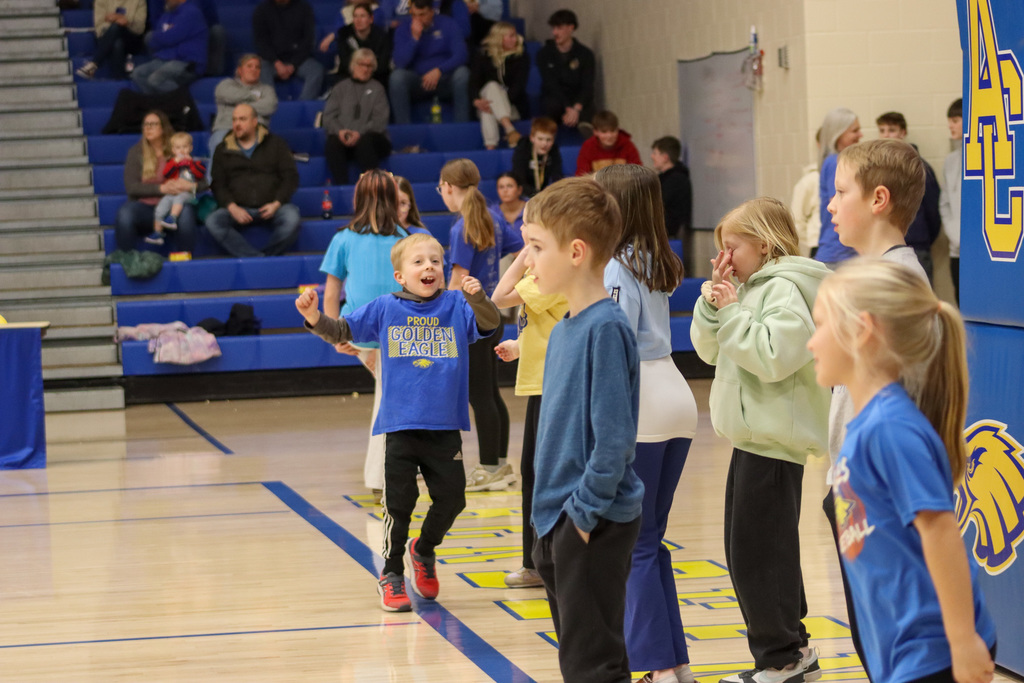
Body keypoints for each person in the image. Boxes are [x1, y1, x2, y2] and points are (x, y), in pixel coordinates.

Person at [806, 258, 997, 683]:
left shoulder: (890, 428)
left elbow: (941, 532)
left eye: (819, 326)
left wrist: (962, 641)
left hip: (933, 651)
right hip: (897, 651)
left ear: (862, 331)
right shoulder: (867, 424)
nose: (810, 342)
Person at [295, 233, 501, 611]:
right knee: (399, 506)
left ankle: (423, 549)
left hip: (445, 427)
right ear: (400, 276)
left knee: (453, 499)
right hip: (400, 425)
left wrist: (479, 298)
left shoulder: (457, 304)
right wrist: (314, 318)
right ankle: (391, 573)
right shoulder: (385, 308)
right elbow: (341, 331)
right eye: (418, 262)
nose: (429, 267)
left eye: (435, 261)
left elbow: (489, 325)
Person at [689, 197, 830, 683]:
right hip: (750, 441)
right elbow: (710, 351)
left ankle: (780, 659)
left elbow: (772, 357)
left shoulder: (787, 290)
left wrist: (732, 311)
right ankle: (795, 649)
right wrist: (714, 304)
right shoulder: (748, 289)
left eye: (732, 247)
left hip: (774, 443)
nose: (724, 258)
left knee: (759, 556)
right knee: (758, 551)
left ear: (765, 246)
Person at [524, 177, 642, 683]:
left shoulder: (606, 328)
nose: (527, 261)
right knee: (583, 662)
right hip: (556, 520)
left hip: (591, 521)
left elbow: (613, 441)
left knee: (593, 667)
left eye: (536, 247)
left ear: (576, 252)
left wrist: (582, 516)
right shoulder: (563, 330)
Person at [822, 138, 931, 675]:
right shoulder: (876, 274)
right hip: (854, 479)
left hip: (875, 488)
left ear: (878, 200)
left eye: (841, 192)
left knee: (886, 645)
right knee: (871, 640)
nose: (830, 205)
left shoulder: (896, 283)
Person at [594, 165, 698, 683]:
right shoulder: (659, 257)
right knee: (651, 540)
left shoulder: (616, 266)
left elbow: (617, 342)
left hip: (644, 398)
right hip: (676, 391)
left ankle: (655, 667)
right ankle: (675, 664)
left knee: (634, 543)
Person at [319, 170, 422, 503]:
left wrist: (334, 334)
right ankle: (383, 478)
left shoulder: (344, 238)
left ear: (357, 198)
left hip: (363, 334)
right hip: (390, 337)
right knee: (390, 403)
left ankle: (393, 473)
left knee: (392, 400)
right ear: (393, 199)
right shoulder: (405, 239)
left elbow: (331, 294)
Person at [491, 206, 569, 590]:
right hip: (541, 381)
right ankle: (536, 561)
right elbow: (548, 325)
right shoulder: (544, 271)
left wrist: (523, 256)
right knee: (533, 475)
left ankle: (543, 562)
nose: (521, 229)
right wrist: (520, 345)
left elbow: (499, 296)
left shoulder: (551, 273)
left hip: (551, 385)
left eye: (529, 225)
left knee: (541, 476)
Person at [439, 159, 524, 491]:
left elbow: (457, 280)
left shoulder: (463, 225)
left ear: (449, 187)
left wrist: (439, 318)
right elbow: (524, 252)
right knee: (489, 392)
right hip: (493, 315)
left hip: (469, 320)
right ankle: (499, 464)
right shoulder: (495, 217)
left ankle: (489, 468)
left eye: (441, 188)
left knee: (479, 394)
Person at [207, 104, 301, 258]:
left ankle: (267, 256)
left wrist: (277, 203)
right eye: (234, 120)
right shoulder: (222, 149)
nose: (237, 124)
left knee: (292, 218)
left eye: (242, 119)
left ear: (254, 121)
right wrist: (232, 207)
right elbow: (218, 184)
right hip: (237, 208)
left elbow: (290, 177)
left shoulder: (276, 144)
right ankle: (255, 258)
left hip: (273, 206)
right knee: (213, 221)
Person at [114, 110, 202, 253]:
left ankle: (184, 260)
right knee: (124, 215)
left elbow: (203, 183)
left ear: (163, 128)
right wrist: (161, 189)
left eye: (153, 124)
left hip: (173, 205)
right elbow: (132, 187)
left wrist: (190, 186)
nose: (148, 128)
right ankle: (128, 259)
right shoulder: (136, 152)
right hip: (145, 207)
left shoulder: (177, 148)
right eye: (146, 125)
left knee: (186, 213)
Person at [875, 111, 942, 282]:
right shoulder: (877, 171)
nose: (886, 135)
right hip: (884, 249)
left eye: (891, 130)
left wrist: (920, 238)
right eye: (882, 130)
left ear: (903, 132)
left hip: (917, 247)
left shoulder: (920, 169)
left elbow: (933, 213)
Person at [389, 0, 470, 124]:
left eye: (422, 15)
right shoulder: (403, 28)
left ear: (432, 12)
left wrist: (439, 70)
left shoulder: (448, 24)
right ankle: (403, 130)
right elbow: (399, 62)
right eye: (414, 15)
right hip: (418, 81)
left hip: (444, 79)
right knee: (397, 77)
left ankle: (462, 126)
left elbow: (461, 55)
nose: (417, 19)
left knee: (462, 73)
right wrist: (414, 39)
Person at [322, 48, 391, 183]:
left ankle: (372, 185)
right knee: (332, 143)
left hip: (372, 139)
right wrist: (340, 131)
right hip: (345, 138)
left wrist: (359, 133)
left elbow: (380, 120)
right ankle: (341, 187)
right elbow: (329, 117)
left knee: (365, 142)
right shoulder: (340, 88)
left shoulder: (378, 89)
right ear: (353, 65)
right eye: (361, 64)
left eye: (369, 66)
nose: (365, 69)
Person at [815, 107, 863, 267]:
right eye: (854, 131)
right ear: (839, 134)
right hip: (839, 254)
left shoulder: (834, 161)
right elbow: (842, 206)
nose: (860, 135)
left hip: (840, 252)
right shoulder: (836, 162)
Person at [469, 22, 529, 149]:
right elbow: (474, 82)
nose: (515, 39)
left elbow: (518, 87)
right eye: (511, 36)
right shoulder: (483, 55)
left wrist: (498, 102)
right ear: (499, 38)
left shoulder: (522, 56)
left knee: (487, 111)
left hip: (512, 107)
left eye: (515, 35)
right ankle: (510, 129)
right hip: (486, 102)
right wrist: (476, 101)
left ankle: (491, 150)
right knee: (491, 87)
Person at [535, 9, 595, 135]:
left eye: (559, 28)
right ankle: (549, 133)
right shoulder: (544, 54)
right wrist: (568, 107)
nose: (555, 33)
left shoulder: (585, 54)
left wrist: (576, 108)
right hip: (556, 97)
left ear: (571, 28)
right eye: (553, 28)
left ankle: (586, 130)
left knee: (589, 107)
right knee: (551, 105)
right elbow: (551, 84)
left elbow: (587, 84)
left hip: (577, 98)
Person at [209, 54, 279, 158]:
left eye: (257, 67)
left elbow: (269, 106)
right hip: (227, 128)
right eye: (249, 66)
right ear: (240, 70)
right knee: (218, 145)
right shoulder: (226, 84)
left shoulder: (267, 90)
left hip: (256, 130)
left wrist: (239, 104)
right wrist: (254, 97)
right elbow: (225, 94)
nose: (254, 69)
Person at [252, 0, 324, 101]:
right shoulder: (262, 10)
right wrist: (276, 62)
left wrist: (293, 64)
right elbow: (261, 42)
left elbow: (308, 41)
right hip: (272, 61)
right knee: (260, 69)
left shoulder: (304, 8)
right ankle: (270, 103)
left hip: (299, 60)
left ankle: (303, 103)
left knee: (316, 70)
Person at [131, 0, 207, 95]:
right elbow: (153, 39)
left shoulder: (192, 12)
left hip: (186, 62)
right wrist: (166, 35)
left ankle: (184, 101)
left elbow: (171, 37)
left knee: (156, 79)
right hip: (165, 59)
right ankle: (156, 102)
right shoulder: (167, 15)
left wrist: (165, 36)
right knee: (138, 74)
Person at [147, 131, 205, 245]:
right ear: (173, 150)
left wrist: (190, 163)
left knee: (179, 198)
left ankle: (172, 218)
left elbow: (200, 174)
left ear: (190, 148)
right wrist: (175, 163)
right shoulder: (171, 162)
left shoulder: (196, 163)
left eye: (185, 147)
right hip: (172, 193)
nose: (182, 150)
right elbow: (166, 173)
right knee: (160, 208)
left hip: (188, 194)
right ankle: (158, 233)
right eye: (178, 148)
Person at [320, 2, 391, 88]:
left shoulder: (381, 36)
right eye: (355, 16)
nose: (358, 20)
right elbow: (345, 62)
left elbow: (382, 65)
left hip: (375, 76)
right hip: (349, 75)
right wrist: (359, 73)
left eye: (362, 16)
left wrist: (365, 72)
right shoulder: (344, 33)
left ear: (371, 19)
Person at [76, 0, 146, 80]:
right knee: (117, 42)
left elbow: (139, 29)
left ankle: (94, 63)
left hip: (131, 39)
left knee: (116, 28)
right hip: (106, 37)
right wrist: (120, 21)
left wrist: (123, 21)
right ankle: (120, 80)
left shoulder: (139, 1)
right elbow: (99, 28)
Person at [940, 98, 963, 304]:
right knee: (960, 301)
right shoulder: (951, 161)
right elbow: (945, 203)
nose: (950, 126)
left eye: (955, 120)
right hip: (957, 251)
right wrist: (955, 235)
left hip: (983, 252)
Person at [575, 110, 642, 176]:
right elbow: (582, 174)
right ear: (595, 132)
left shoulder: (627, 145)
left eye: (613, 131)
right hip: (596, 183)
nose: (609, 136)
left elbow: (638, 173)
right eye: (604, 132)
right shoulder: (588, 146)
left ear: (618, 129)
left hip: (624, 183)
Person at [650, 136, 692, 240]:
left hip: (669, 236)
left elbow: (656, 203)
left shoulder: (676, 179)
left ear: (665, 157)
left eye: (655, 153)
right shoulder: (664, 178)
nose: (652, 156)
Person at [512, 117, 563, 198]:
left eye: (549, 140)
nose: (544, 144)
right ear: (532, 138)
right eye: (540, 139)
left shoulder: (554, 150)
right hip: (525, 195)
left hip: (545, 195)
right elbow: (520, 180)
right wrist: (537, 195)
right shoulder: (522, 150)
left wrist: (551, 190)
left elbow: (557, 176)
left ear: (554, 140)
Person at [791, 128, 821, 257]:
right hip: (820, 246)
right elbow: (797, 219)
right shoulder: (810, 180)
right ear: (819, 144)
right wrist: (813, 238)